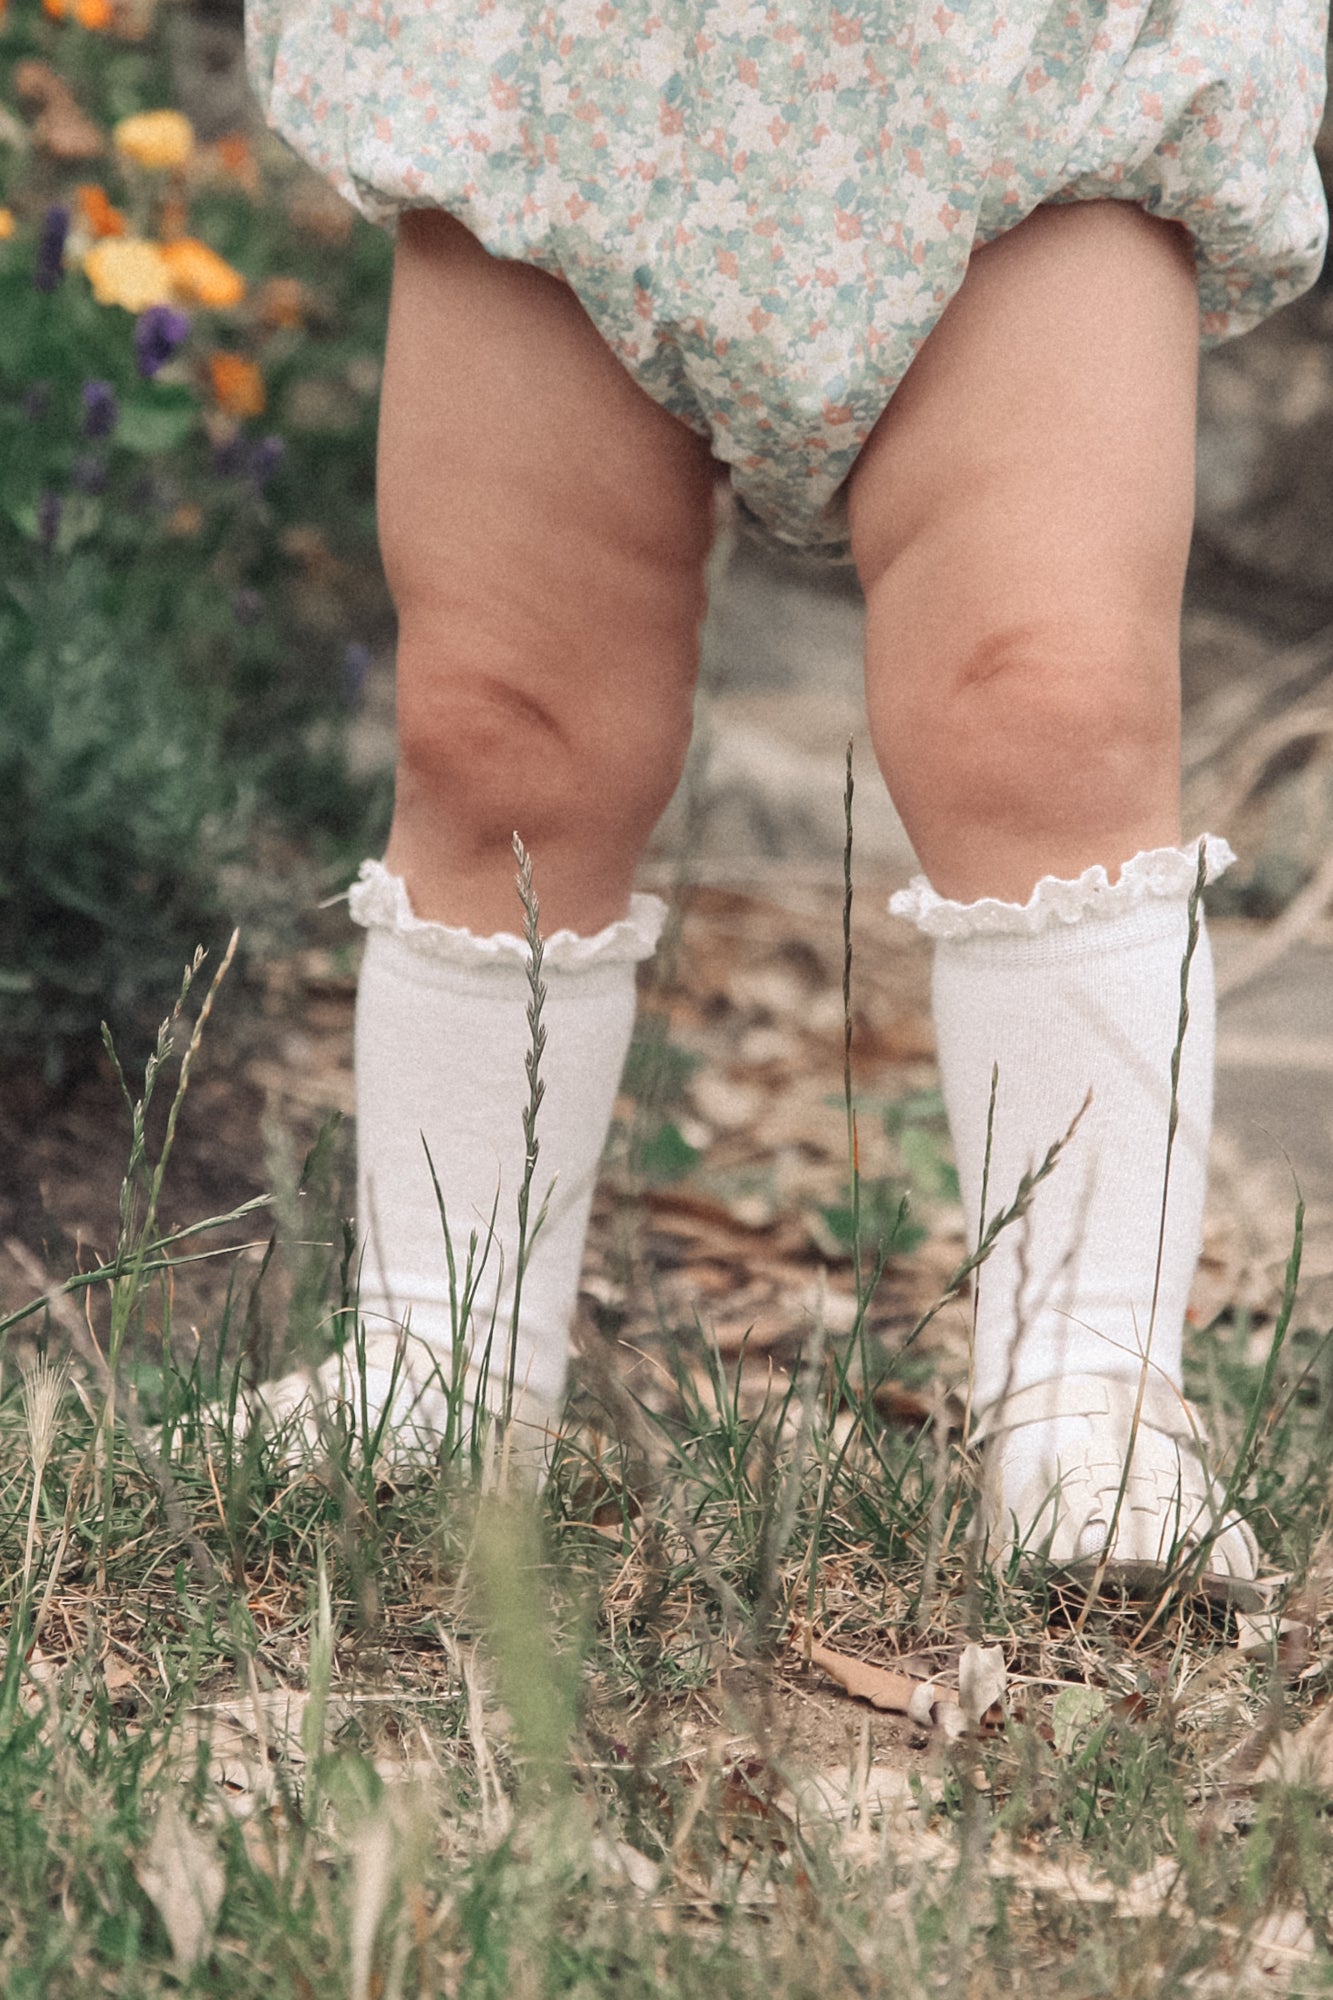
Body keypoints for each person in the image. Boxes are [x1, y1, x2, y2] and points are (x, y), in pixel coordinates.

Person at [242, 0, 1327, 1588]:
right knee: (499, 733)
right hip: (565, 68)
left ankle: (1088, 1397)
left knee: (1046, 702)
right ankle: (439, 1361)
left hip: (1019, 66)